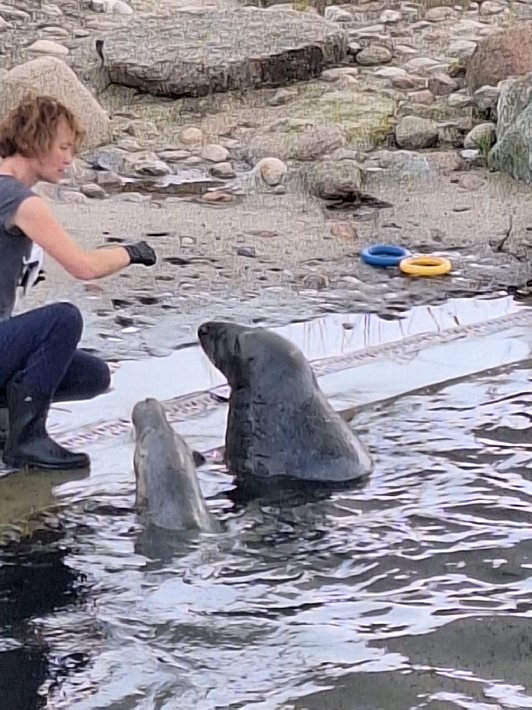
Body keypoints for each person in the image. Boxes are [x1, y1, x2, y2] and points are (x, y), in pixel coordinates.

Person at [0, 93, 157, 471]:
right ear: (35, 141)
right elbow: (83, 267)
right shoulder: (19, 201)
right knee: (63, 320)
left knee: (93, 375)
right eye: (64, 147)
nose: (69, 158)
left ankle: (7, 424)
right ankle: (26, 440)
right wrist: (132, 252)